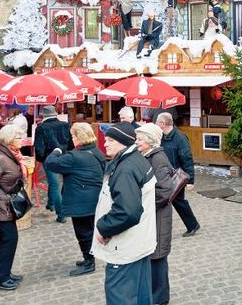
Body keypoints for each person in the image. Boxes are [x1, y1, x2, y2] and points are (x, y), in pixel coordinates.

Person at [93, 122, 156, 305]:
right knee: (141, 294)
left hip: (124, 247)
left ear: (123, 143)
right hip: (140, 242)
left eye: (111, 140)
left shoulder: (126, 169)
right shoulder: (137, 159)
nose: (105, 144)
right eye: (106, 140)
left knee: (120, 296)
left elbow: (128, 211)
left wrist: (103, 227)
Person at [44, 123, 106, 277]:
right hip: (94, 197)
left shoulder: (74, 157)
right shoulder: (96, 151)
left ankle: (89, 262)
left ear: (79, 137)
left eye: (73, 136)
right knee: (89, 230)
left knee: (83, 233)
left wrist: (56, 150)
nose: (71, 138)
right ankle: (89, 258)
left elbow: (50, 163)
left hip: (81, 201)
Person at [0, 124, 29, 290]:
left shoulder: (12, 155)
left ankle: (5, 273)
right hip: (0, 207)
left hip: (7, 204)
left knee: (10, 239)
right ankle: (1, 278)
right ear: (9, 140)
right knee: (8, 239)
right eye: (18, 137)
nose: (22, 139)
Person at [135, 123, 173, 305]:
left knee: (158, 259)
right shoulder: (146, 155)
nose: (137, 142)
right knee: (152, 258)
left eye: (140, 139)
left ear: (150, 141)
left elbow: (164, 192)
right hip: (151, 217)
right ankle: (153, 296)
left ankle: (160, 299)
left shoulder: (158, 159)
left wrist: (142, 205)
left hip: (158, 218)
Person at [157, 112, 200, 237]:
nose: (155, 124)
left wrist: (191, 181)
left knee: (179, 201)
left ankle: (192, 225)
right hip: (165, 175)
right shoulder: (161, 136)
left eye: (157, 122)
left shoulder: (180, 138)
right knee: (173, 201)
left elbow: (187, 159)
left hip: (177, 176)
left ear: (163, 124)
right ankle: (192, 225)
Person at [34, 105, 73, 223]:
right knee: (58, 183)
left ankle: (61, 214)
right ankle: (51, 204)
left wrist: (41, 159)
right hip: (64, 156)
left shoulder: (41, 128)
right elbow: (70, 144)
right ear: (55, 113)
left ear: (43, 115)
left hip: (49, 158)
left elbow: (39, 148)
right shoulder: (65, 125)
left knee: (54, 184)